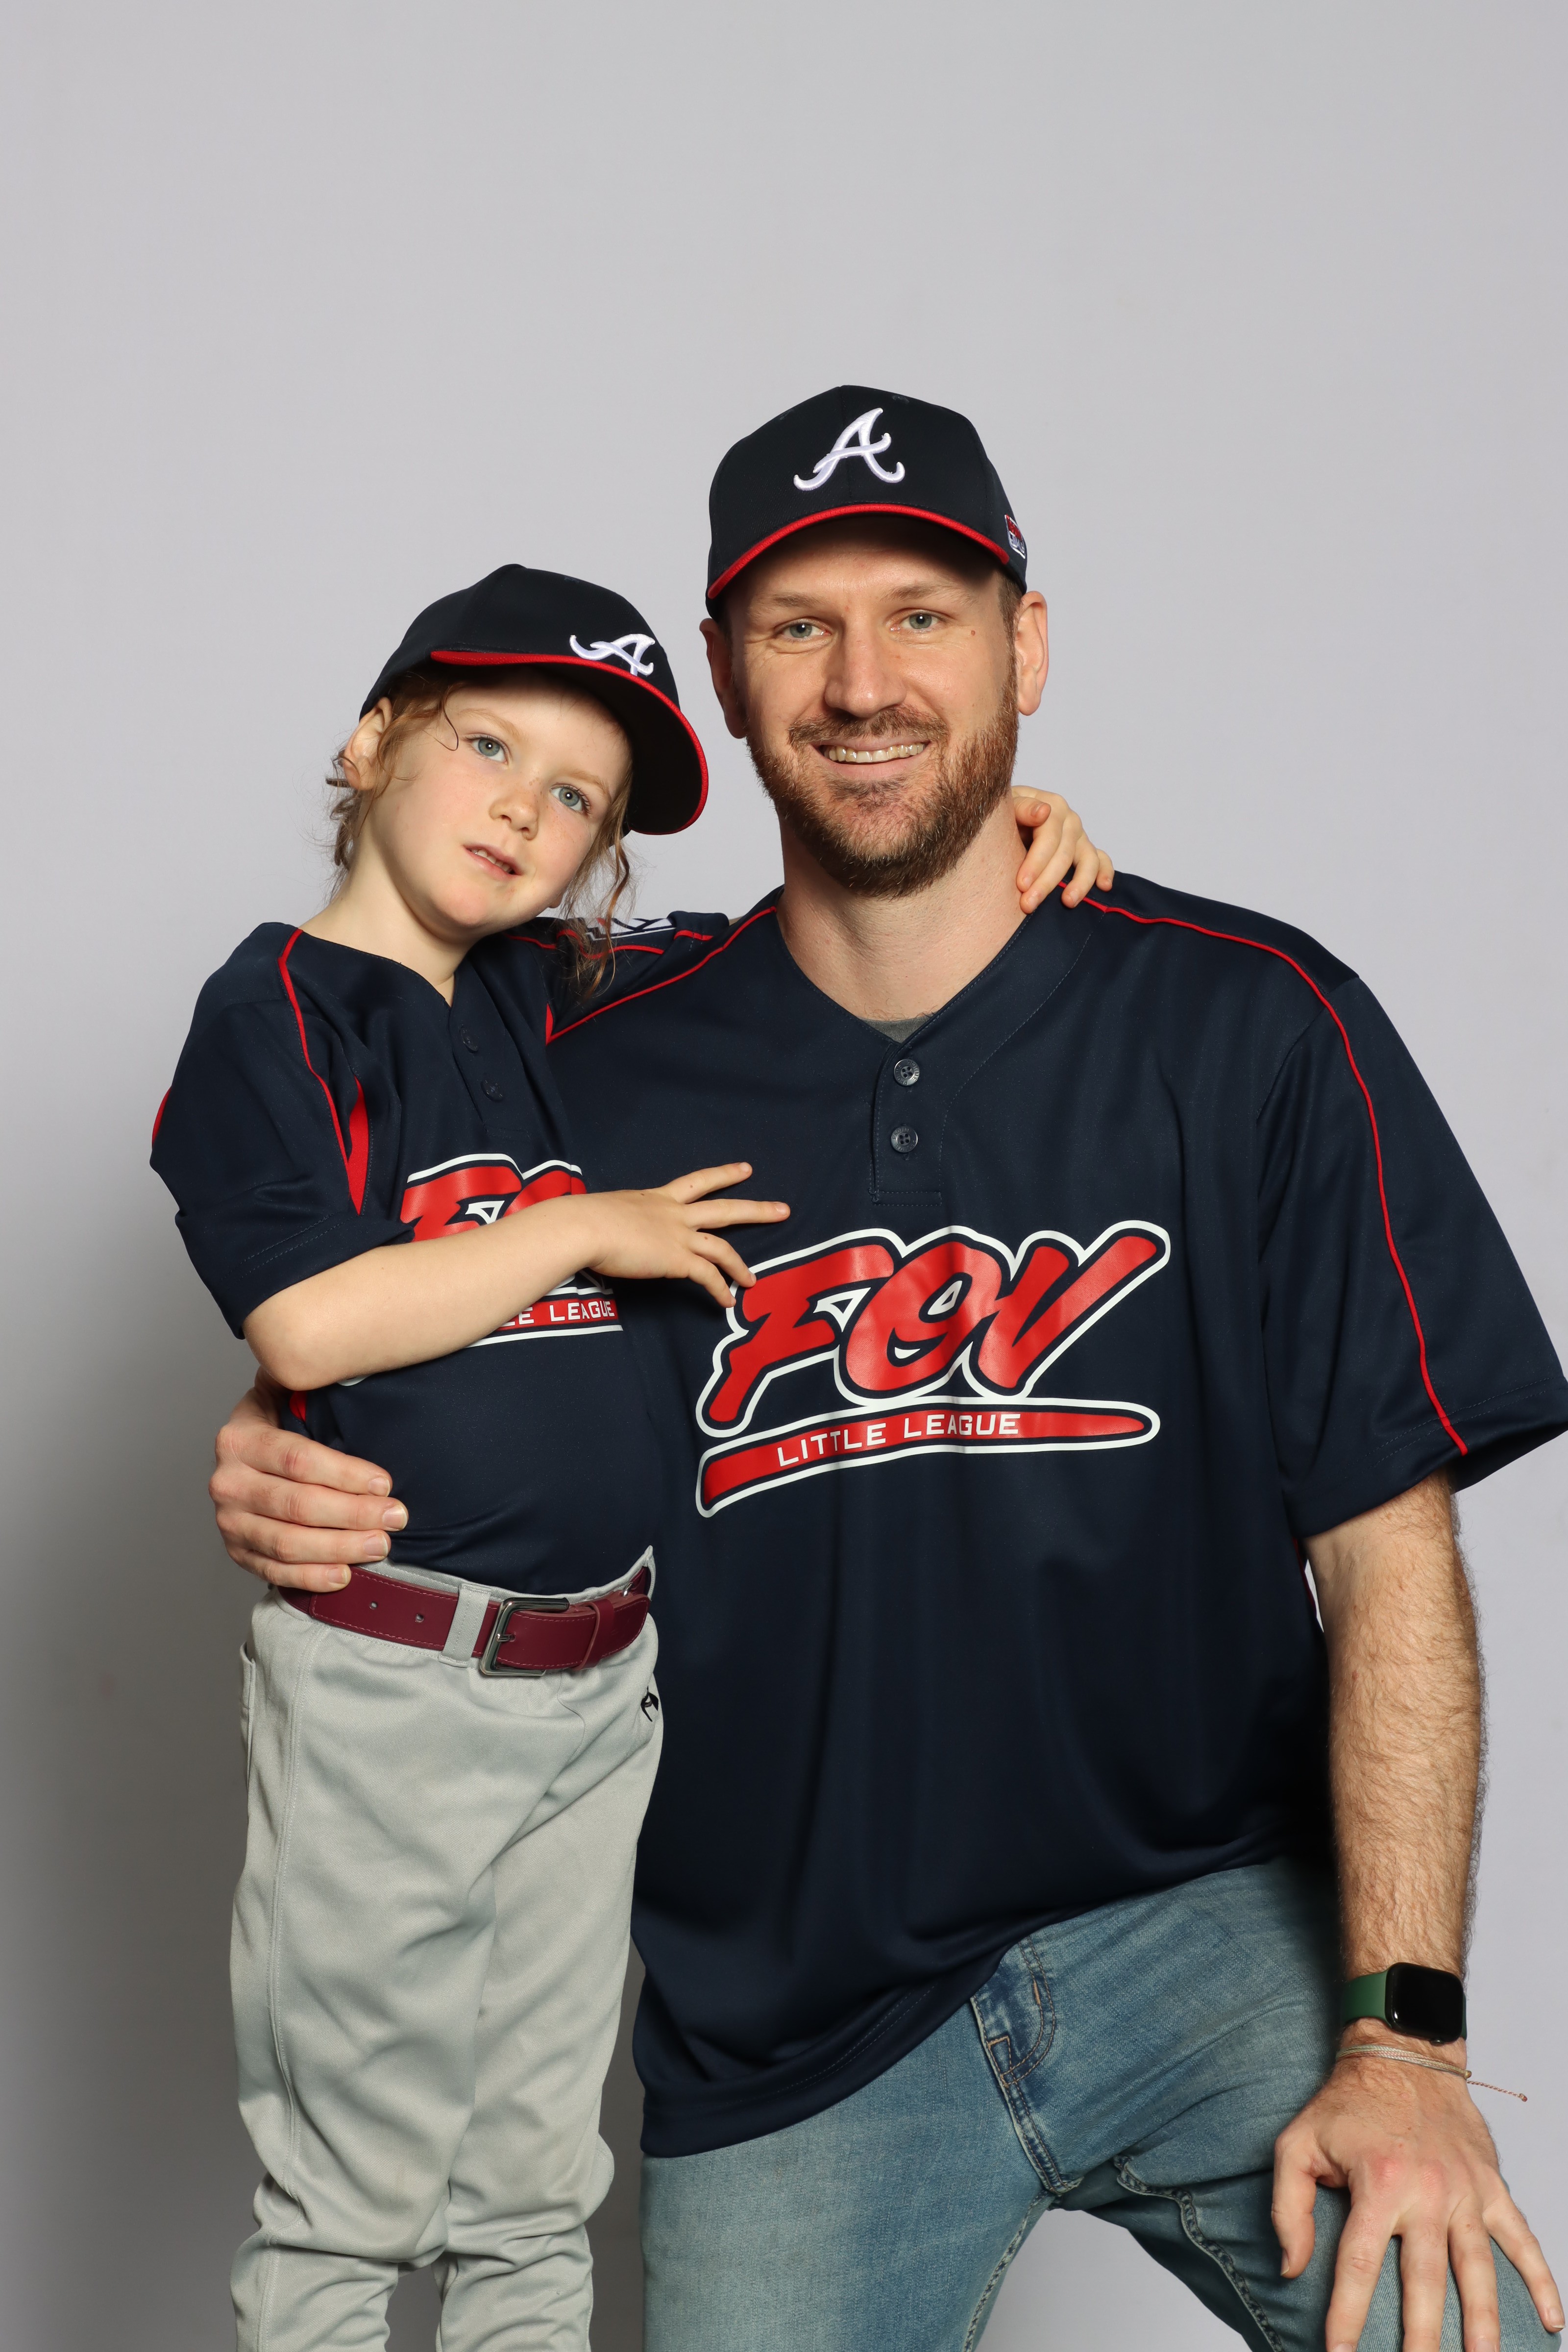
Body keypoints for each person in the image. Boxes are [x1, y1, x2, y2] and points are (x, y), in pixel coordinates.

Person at [204, 389, 1568, 2352]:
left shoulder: (1249, 1021)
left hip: (1209, 1935)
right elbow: (353, 1254)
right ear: (727, 680)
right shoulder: (565, 1051)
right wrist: (280, 1434)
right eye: (799, 628)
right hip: (790, 2022)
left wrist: (1407, 2040)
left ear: (1026, 647)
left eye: (923, 616)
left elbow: (1388, 1560)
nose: (862, 684)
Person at [152, 555, 1098, 2352]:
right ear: (371, 743)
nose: (529, 808)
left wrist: (1002, 839)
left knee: (533, 2196)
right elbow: (307, 1324)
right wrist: (584, 1228)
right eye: (488, 745)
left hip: (599, 1683)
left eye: (579, 798)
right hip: (400, 1679)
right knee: (350, 2205)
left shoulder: (548, 995)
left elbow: (812, 945)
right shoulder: (276, 1008)